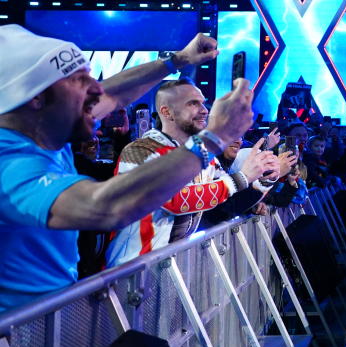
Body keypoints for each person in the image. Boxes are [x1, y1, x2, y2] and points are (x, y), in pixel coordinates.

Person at [0, 25, 253, 314]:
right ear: (37, 98)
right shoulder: (8, 163)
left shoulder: (44, 125)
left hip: (46, 321)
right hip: (17, 339)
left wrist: (177, 60)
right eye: (80, 80)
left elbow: (115, 93)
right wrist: (214, 138)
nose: (97, 88)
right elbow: (106, 208)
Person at [104, 79, 277, 267]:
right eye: (193, 103)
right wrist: (243, 177)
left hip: (172, 267)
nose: (204, 110)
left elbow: (225, 202)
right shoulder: (139, 151)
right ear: (166, 111)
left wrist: (263, 181)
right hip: (131, 271)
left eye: (203, 103)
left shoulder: (203, 155)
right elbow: (175, 200)